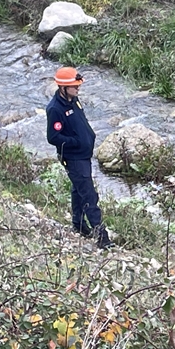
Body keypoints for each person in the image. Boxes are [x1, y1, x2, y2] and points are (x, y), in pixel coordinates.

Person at [46, 66, 112, 249]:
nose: (78, 89)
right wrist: (76, 142)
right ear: (63, 87)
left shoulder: (74, 100)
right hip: (73, 158)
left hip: (84, 155)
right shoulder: (55, 109)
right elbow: (53, 137)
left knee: (78, 190)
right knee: (89, 195)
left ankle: (78, 224)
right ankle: (102, 237)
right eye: (75, 86)